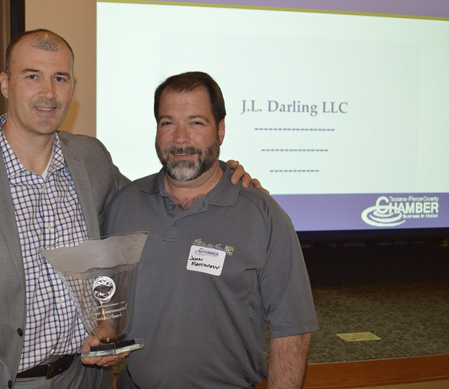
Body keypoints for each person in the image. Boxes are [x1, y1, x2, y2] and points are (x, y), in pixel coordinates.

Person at [0, 30, 259, 388]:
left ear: (73, 89)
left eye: (60, 78)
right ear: (4, 83)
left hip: (84, 378)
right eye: (32, 76)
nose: (48, 93)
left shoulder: (92, 159)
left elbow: (157, 200)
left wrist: (221, 176)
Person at [83, 71, 319, 388]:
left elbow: (292, 328)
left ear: (220, 130)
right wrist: (107, 332)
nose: (180, 139)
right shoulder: (124, 205)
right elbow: (110, 300)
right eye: (168, 123)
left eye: (196, 123)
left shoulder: (262, 216)